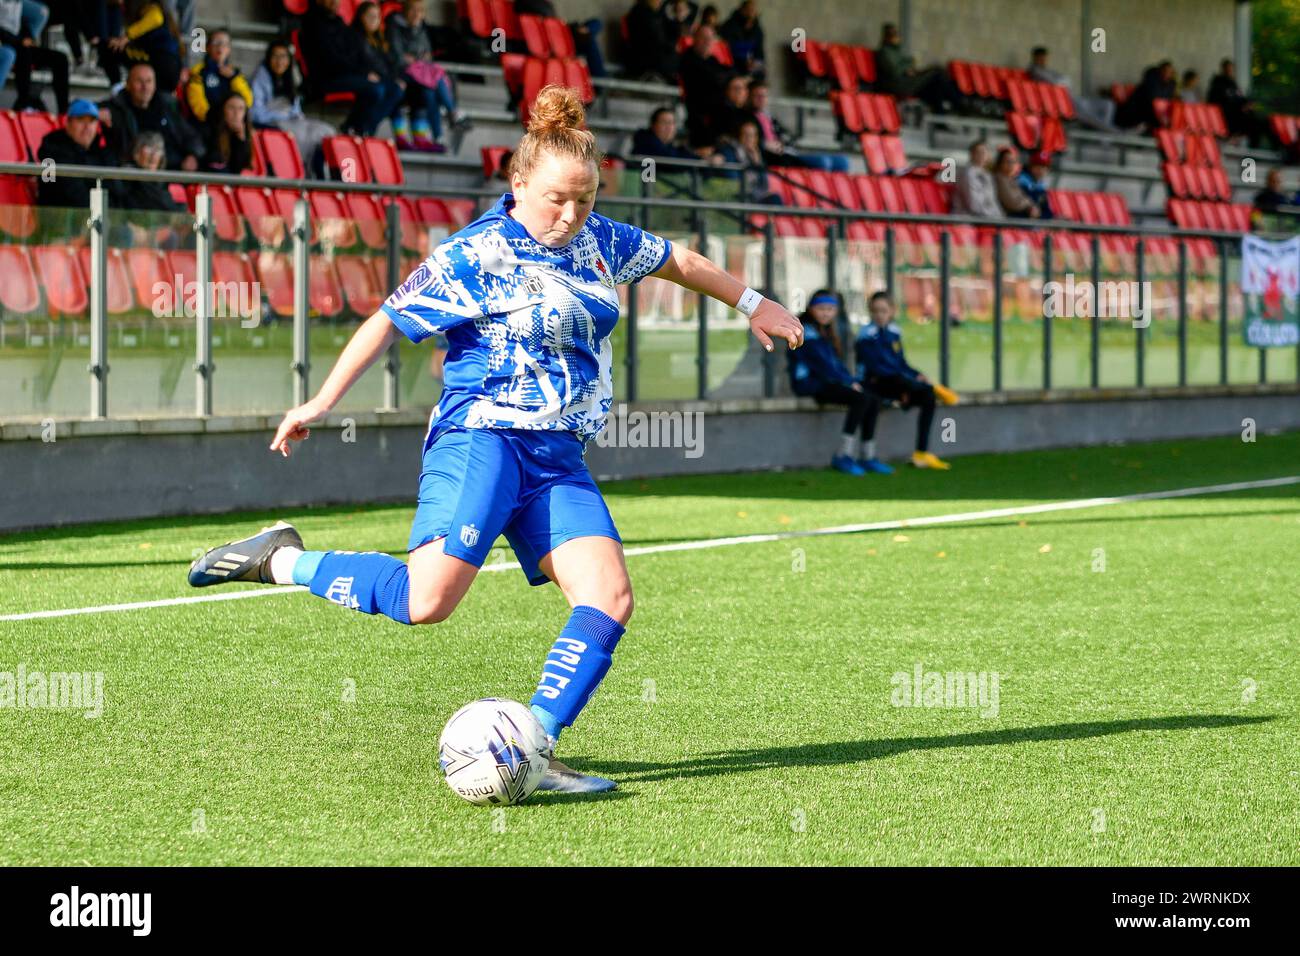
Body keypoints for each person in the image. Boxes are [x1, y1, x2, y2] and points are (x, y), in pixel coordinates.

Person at [186, 85, 805, 794]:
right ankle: (280, 559)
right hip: (483, 436)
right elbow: (387, 318)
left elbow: (682, 262)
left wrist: (755, 303)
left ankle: (534, 746)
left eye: (586, 200)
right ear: (517, 184)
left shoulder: (602, 239)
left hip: (557, 454)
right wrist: (322, 400)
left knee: (608, 596)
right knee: (428, 602)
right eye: (554, 200)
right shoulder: (475, 252)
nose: (570, 216)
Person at [788, 289, 891, 476]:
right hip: (810, 384)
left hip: (826, 382)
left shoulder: (826, 331)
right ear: (811, 309)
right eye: (821, 308)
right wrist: (848, 382)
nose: (826, 313)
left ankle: (868, 456)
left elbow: (835, 365)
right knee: (861, 399)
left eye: (830, 309)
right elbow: (822, 365)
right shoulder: (806, 331)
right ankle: (843, 455)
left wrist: (850, 380)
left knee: (873, 399)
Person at [856, 291, 953, 470]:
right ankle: (932, 387)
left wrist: (917, 374)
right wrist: (906, 387)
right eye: (875, 311)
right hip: (875, 384)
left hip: (897, 384)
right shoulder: (866, 335)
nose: (879, 315)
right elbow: (877, 368)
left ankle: (921, 453)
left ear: (892, 311)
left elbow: (901, 363)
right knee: (920, 388)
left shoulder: (893, 333)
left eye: (883, 311)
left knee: (927, 398)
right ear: (870, 312)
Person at [299, 0, 404, 137]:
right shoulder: (313, 24)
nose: (335, 3)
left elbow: (355, 56)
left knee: (395, 89)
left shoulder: (339, 22)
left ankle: (362, 129)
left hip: (348, 74)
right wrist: (363, 73)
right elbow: (330, 60)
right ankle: (356, 127)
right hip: (326, 78)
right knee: (375, 89)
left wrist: (369, 73)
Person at [386, 0, 466, 153]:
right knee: (432, 82)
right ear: (405, 10)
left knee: (429, 91)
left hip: (419, 77)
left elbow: (427, 55)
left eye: (420, 11)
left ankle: (433, 138)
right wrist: (416, 58)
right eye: (413, 10)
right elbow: (397, 56)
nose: (417, 14)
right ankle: (452, 111)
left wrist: (416, 58)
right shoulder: (393, 26)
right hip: (400, 74)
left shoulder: (420, 27)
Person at [249, 39, 336, 178]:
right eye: (275, 56)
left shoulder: (291, 77)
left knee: (325, 131)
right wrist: (282, 115)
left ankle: (319, 172)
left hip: (291, 119)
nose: (279, 61)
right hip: (270, 122)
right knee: (298, 135)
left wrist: (291, 115)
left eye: (283, 56)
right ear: (268, 58)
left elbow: (296, 109)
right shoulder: (259, 78)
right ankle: (301, 172)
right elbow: (255, 113)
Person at [99, 61, 203, 170]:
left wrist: (193, 155)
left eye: (149, 81)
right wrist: (96, 113)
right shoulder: (116, 107)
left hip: (171, 171)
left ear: (155, 84)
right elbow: (84, 109)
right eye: (139, 81)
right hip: (132, 174)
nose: (145, 87)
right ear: (128, 85)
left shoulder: (166, 107)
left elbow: (191, 136)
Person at [36, 99, 122, 208]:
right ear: (68, 123)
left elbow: (119, 190)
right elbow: (68, 194)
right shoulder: (51, 152)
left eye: (91, 121)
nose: (87, 127)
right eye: (81, 120)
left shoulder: (103, 153)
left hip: (104, 219)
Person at [875, 22, 962, 114]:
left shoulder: (896, 51)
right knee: (937, 74)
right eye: (892, 34)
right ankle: (960, 105)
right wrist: (907, 67)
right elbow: (895, 71)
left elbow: (905, 65)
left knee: (937, 85)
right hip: (899, 86)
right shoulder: (884, 52)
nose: (896, 37)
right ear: (886, 36)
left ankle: (944, 112)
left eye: (896, 34)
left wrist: (908, 66)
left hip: (907, 82)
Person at [0, 0, 70, 113]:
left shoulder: (19, 4)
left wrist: (28, 37)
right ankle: (24, 103)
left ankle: (64, 112)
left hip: (19, 44)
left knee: (60, 59)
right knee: (20, 53)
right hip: (6, 44)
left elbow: (25, 24)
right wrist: (20, 41)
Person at [1028, 45, 1116, 132]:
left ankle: (1106, 134)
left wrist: (1062, 82)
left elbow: (1067, 80)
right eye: (1041, 58)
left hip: (1070, 98)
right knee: (1090, 116)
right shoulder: (1035, 71)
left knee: (1108, 104)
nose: (1043, 60)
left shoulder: (1048, 70)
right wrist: (1062, 82)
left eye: (1044, 58)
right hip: (1060, 103)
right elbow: (1057, 83)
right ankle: (1113, 133)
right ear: (1035, 57)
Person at [102, 0, 182, 92]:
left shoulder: (151, 7)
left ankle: (117, 88)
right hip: (166, 64)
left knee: (110, 48)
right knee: (111, 48)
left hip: (162, 61)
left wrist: (126, 37)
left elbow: (156, 18)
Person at [515, 0, 605, 77]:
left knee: (595, 23)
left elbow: (553, 22)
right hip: (555, 41)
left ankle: (584, 30)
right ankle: (601, 83)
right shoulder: (531, 4)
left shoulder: (543, 5)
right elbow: (549, 24)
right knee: (589, 41)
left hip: (560, 34)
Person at [184, 27, 251, 124]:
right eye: (216, 43)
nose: (220, 47)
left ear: (229, 49)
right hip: (208, 123)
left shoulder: (235, 73)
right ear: (208, 47)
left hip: (233, 122)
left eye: (224, 43)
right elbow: (199, 108)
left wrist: (233, 78)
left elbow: (247, 101)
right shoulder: (199, 72)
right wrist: (219, 119)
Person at [679, 22, 731, 148]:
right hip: (698, 113)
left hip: (720, 111)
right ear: (695, 38)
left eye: (711, 38)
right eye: (704, 37)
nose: (708, 41)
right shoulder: (686, 59)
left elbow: (729, 75)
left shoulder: (714, 61)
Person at [117, 130, 185, 216]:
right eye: (149, 148)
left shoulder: (162, 182)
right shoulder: (128, 177)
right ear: (136, 153)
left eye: (158, 150)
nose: (153, 155)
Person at [716, 118, 780, 204]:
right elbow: (733, 180)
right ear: (739, 136)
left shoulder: (757, 155)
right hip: (741, 196)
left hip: (755, 196)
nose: (749, 139)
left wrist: (758, 163)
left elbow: (765, 185)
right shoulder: (730, 152)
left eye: (752, 136)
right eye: (745, 135)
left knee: (775, 198)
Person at [1207, 59, 1268, 148]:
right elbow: (1220, 104)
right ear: (1223, 69)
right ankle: (1251, 156)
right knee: (1254, 124)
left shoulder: (1232, 83)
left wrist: (1248, 104)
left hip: (1239, 116)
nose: (1230, 71)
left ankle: (1253, 153)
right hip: (1228, 119)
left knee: (1262, 122)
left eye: (1231, 69)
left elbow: (1240, 98)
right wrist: (1240, 108)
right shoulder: (1218, 84)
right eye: (1227, 69)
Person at [624, 0, 679, 83]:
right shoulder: (642, 13)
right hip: (644, 60)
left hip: (653, 55)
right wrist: (674, 45)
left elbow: (669, 28)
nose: (660, 1)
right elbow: (657, 41)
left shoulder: (654, 12)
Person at [201, 89, 253, 174]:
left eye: (241, 109)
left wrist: (241, 140)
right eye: (231, 107)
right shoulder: (208, 130)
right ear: (222, 110)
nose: (236, 114)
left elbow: (238, 170)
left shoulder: (244, 135)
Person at [951, 140, 1001, 219]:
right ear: (971, 154)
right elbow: (973, 205)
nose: (982, 155)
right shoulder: (966, 174)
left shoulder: (988, 175)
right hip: (967, 219)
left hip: (987, 218)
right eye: (978, 152)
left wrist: (1000, 217)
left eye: (984, 152)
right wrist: (993, 217)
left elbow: (993, 201)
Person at [630, 106, 696, 160]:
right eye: (664, 122)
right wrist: (697, 157)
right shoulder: (646, 143)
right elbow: (670, 160)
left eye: (672, 123)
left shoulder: (668, 147)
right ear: (653, 125)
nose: (669, 127)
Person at [718, 0, 762, 77]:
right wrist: (745, 59)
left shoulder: (757, 30)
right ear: (742, 10)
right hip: (731, 66)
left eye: (753, 11)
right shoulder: (729, 26)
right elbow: (727, 48)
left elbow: (760, 51)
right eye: (749, 10)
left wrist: (756, 62)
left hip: (750, 68)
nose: (751, 13)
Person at [994, 147, 1038, 218]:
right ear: (1000, 163)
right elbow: (1013, 203)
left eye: (1013, 162)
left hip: (1021, 215)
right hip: (1009, 218)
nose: (1011, 165)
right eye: (1007, 161)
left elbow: (1025, 197)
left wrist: (1031, 206)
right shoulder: (999, 178)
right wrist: (1029, 206)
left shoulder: (1012, 179)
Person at [1016, 150, 1053, 219]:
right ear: (1030, 166)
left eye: (1044, 167)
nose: (1041, 170)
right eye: (1037, 166)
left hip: (1036, 223)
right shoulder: (1021, 181)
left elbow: (1046, 210)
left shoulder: (1040, 186)